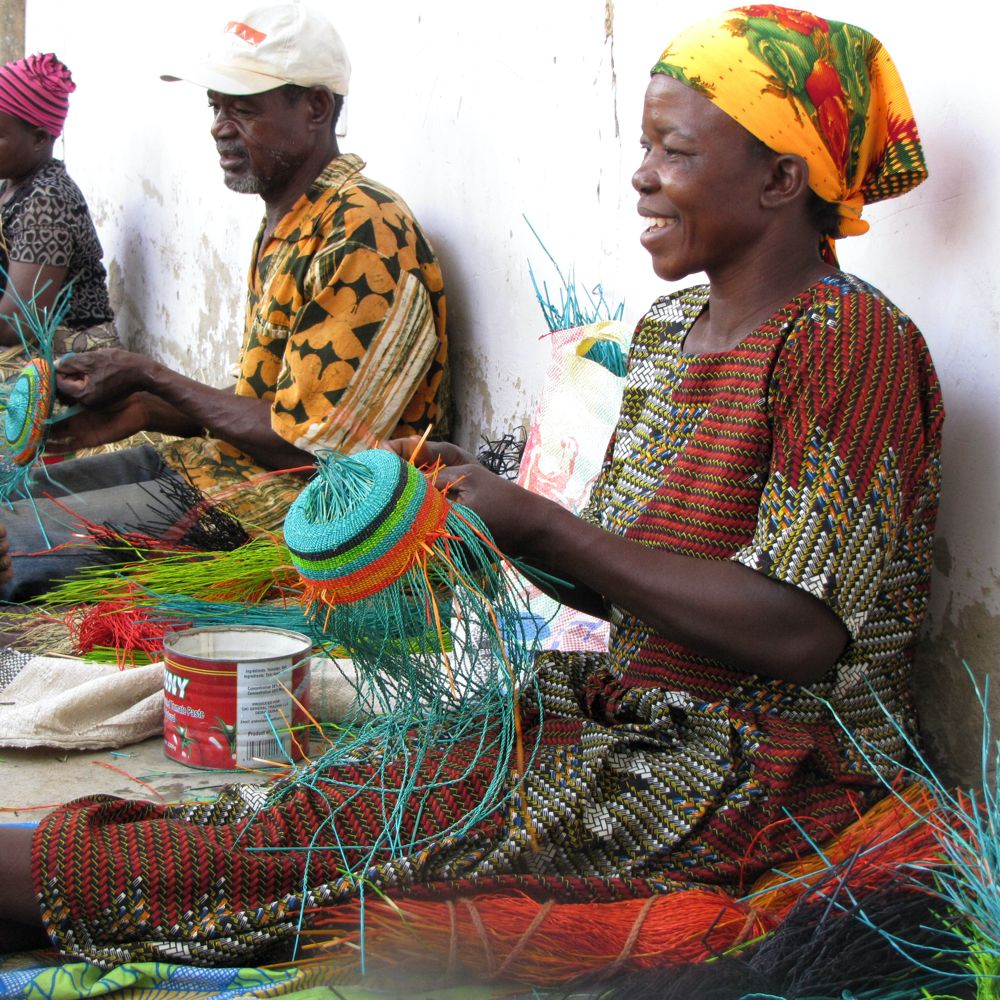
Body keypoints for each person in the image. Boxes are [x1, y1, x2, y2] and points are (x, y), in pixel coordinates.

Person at [0, 5, 942, 970]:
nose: (643, 174)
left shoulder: (847, 342)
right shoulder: (668, 333)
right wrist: (478, 520)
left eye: (675, 151)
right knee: (342, 792)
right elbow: (623, 585)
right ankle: (63, 872)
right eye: (643, 144)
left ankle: (40, 878)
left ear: (784, 179)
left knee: (334, 850)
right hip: (619, 715)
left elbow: (802, 632)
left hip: (754, 774)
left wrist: (542, 522)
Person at [0, 4, 448, 603]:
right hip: (218, 475)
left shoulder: (364, 232)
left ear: (315, 107)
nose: (219, 125)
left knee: (7, 550)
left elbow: (309, 447)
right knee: (11, 499)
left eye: (244, 108)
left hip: (280, 516)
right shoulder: (294, 219)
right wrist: (143, 409)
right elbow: (263, 406)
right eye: (215, 106)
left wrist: (149, 373)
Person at [0, 52, 118, 376]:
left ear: (39, 138)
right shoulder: (10, 187)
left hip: (71, 360)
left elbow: (18, 323)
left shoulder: (47, 201)